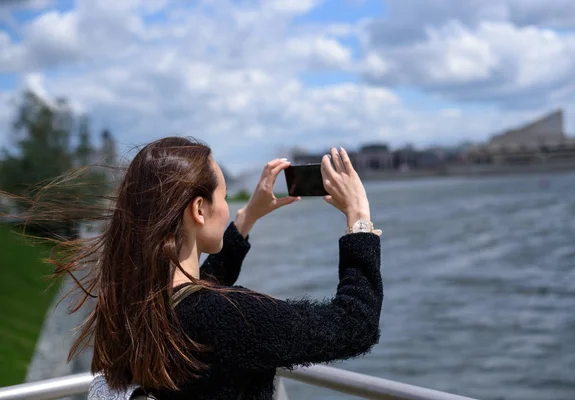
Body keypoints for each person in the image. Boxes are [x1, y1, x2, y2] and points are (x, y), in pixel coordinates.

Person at [52, 137, 383, 400]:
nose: (228, 208)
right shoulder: (230, 318)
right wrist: (358, 219)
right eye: (224, 197)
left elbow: (198, 293)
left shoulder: (135, 303)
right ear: (199, 209)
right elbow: (355, 323)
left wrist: (246, 219)